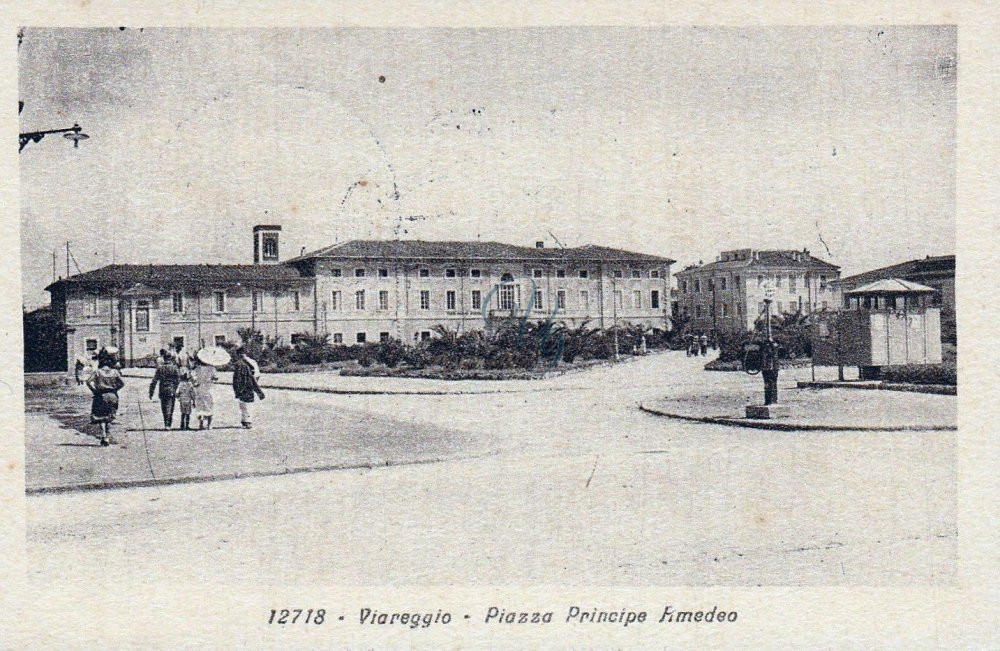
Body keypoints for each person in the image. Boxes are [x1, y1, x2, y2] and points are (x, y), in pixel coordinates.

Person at [86, 347, 125, 446]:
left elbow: (88, 382)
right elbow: (122, 383)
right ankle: (107, 435)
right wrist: (115, 389)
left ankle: (104, 436)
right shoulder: (115, 372)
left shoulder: (98, 372)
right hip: (113, 395)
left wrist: (94, 391)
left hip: (100, 395)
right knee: (109, 416)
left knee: (100, 416)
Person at [232, 346, 265, 429]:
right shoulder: (252, 362)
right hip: (250, 384)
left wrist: (236, 388)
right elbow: (257, 375)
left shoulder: (238, 364)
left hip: (242, 385)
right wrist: (255, 384)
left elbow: (236, 377)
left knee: (244, 403)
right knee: (248, 403)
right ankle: (245, 420)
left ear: (239, 354)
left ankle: (247, 421)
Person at [149, 351, 180, 428]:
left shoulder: (160, 368)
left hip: (162, 389)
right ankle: (168, 424)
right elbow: (178, 379)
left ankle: (166, 423)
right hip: (171, 389)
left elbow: (154, 380)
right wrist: (176, 388)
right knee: (170, 406)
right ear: (171, 358)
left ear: (164, 358)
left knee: (164, 407)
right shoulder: (174, 368)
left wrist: (151, 392)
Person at [191, 356, 217, 429]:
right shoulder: (212, 368)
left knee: (200, 407)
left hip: (199, 389)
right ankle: (209, 424)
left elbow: (193, 379)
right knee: (209, 406)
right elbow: (216, 378)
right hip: (209, 389)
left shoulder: (197, 369)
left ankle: (201, 424)